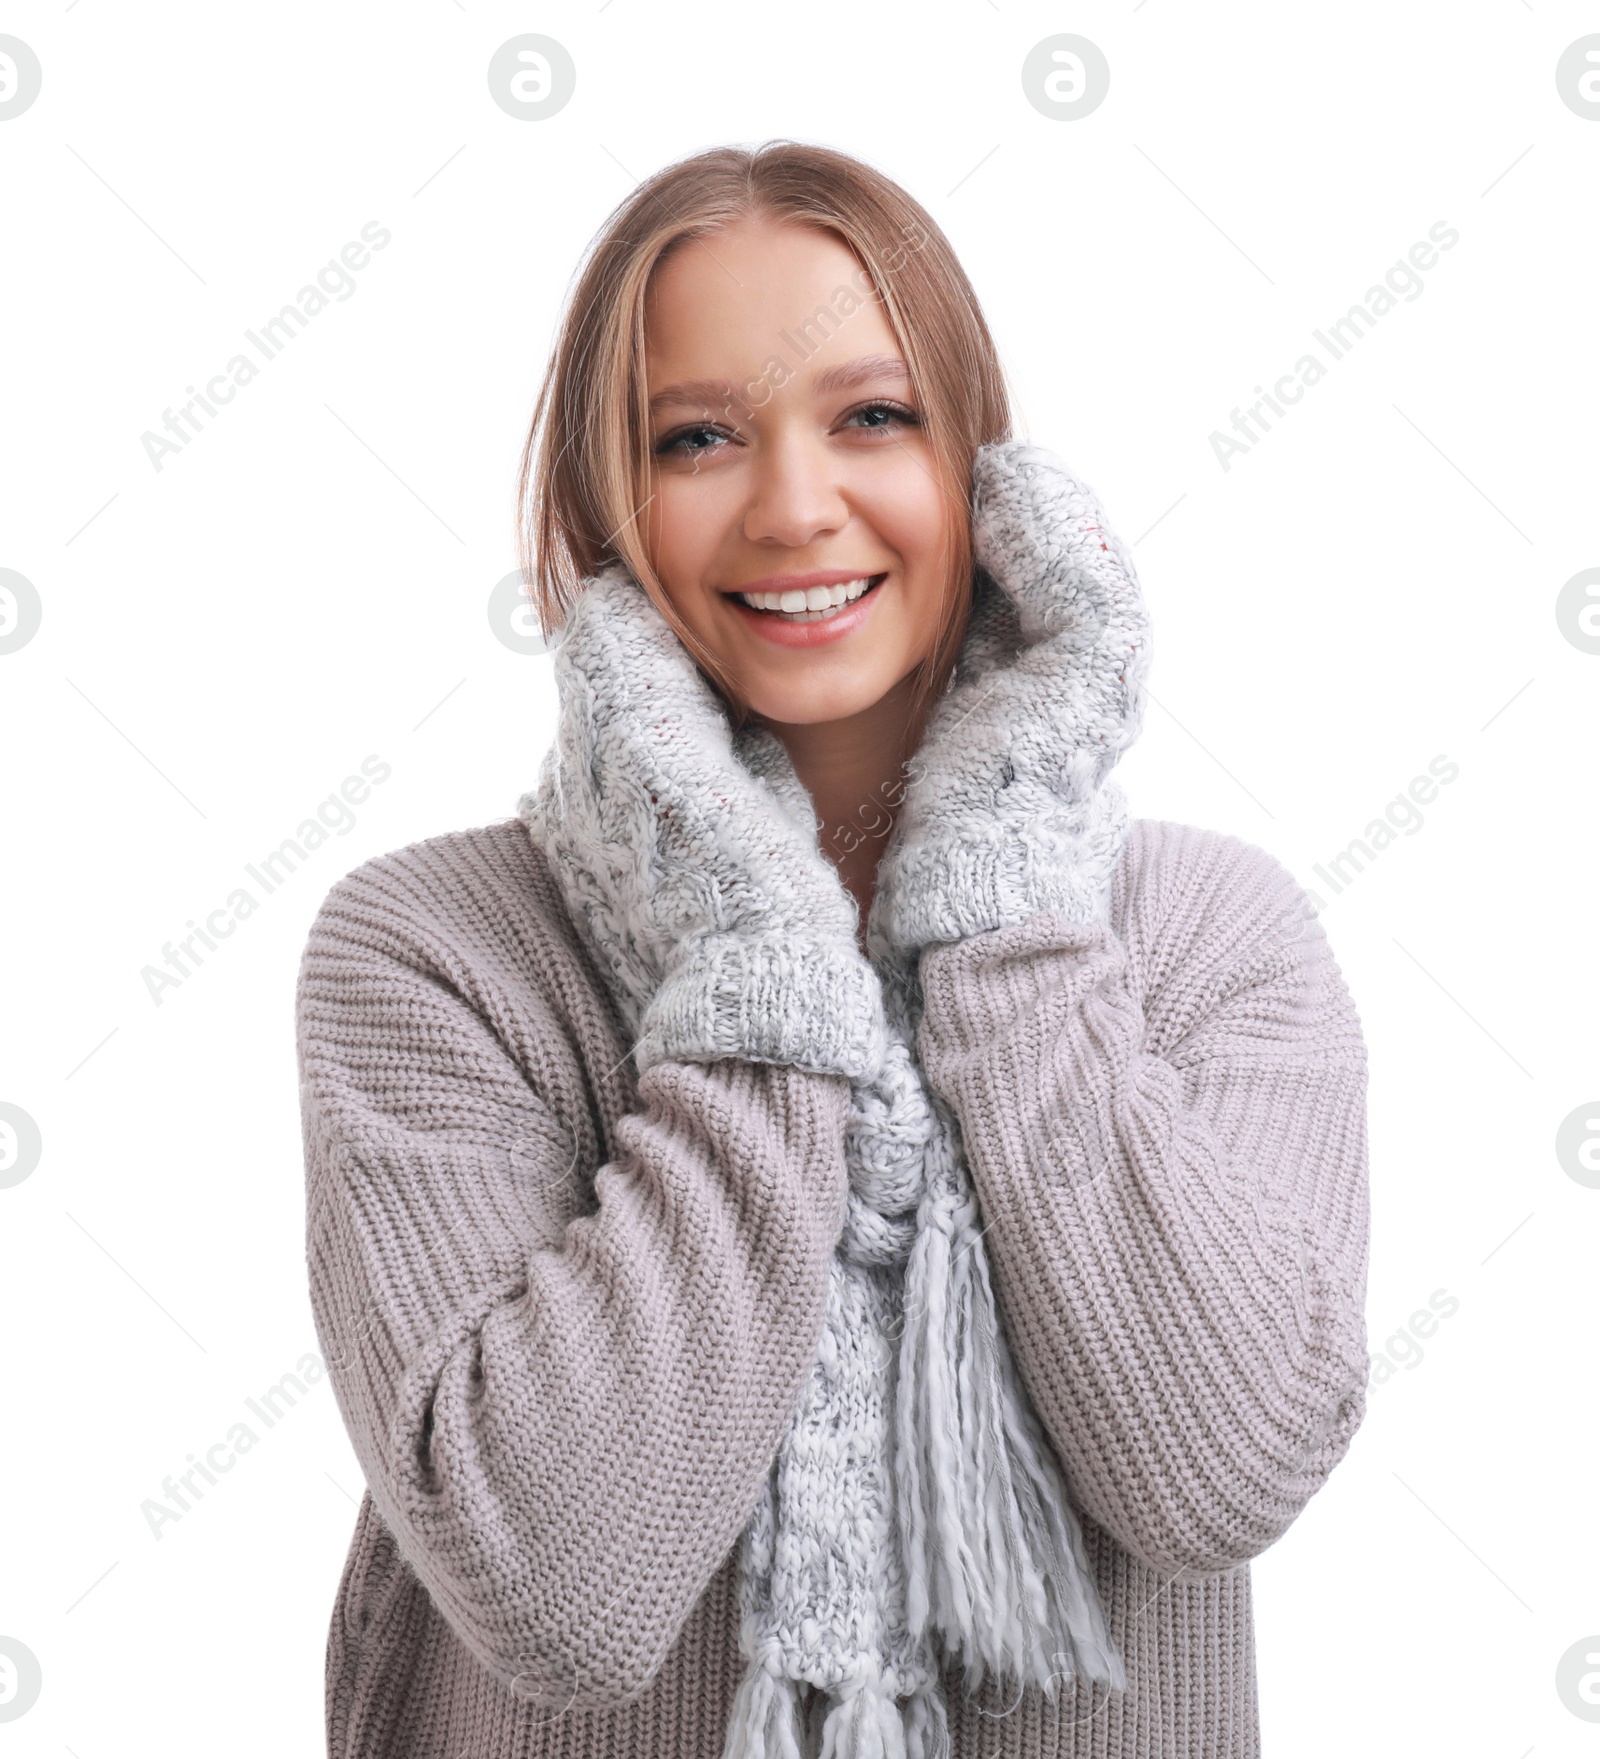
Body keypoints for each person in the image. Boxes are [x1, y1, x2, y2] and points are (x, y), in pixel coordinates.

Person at [296, 140, 1371, 1759]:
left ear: (989, 491)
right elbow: (559, 1597)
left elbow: (1216, 1476)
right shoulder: (430, 957)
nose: (798, 506)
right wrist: (759, 964)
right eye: (699, 437)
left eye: (874, 417)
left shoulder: (1213, 941)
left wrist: (1004, 927)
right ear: (605, 508)